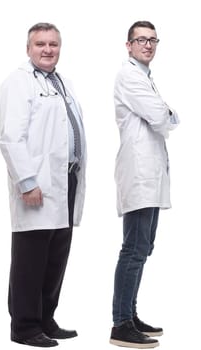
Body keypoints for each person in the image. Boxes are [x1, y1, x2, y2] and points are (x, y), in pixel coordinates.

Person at [0, 22, 86, 348]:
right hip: (38, 183)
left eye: (53, 44)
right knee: (31, 258)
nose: (48, 49)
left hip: (66, 179)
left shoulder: (62, 81)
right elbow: (10, 138)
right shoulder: (18, 82)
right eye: (40, 44)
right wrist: (27, 181)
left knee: (56, 255)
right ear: (28, 48)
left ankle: (46, 318)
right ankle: (24, 326)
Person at [109, 20, 178, 349]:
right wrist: (166, 113)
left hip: (150, 177)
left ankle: (129, 315)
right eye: (140, 40)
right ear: (129, 45)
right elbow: (160, 117)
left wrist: (166, 114)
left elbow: (165, 117)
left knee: (143, 248)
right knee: (134, 250)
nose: (147, 45)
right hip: (138, 175)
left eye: (152, 40)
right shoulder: (129, 75)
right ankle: (120, 324)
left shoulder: (145, 77)